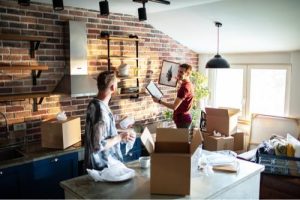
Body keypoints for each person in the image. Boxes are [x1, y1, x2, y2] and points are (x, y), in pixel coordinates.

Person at [84, 71, 134, 170]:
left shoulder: (94, 103)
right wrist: (119, 137)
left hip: (98, 166)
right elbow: (97, 145)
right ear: (113, 88)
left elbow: (102, 132)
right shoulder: (101, 111)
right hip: (102, 168)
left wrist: (120, 131)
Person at [153, 63, 194, 128]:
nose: (178, 74)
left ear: (187, 74)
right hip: (184, 118)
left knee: (180, 138)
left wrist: (159, 101)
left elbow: (174, 107)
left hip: (182, 120)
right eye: (178, 71)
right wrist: (178, 81)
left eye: (181, 72)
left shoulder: (184, 88)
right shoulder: (188, 84)